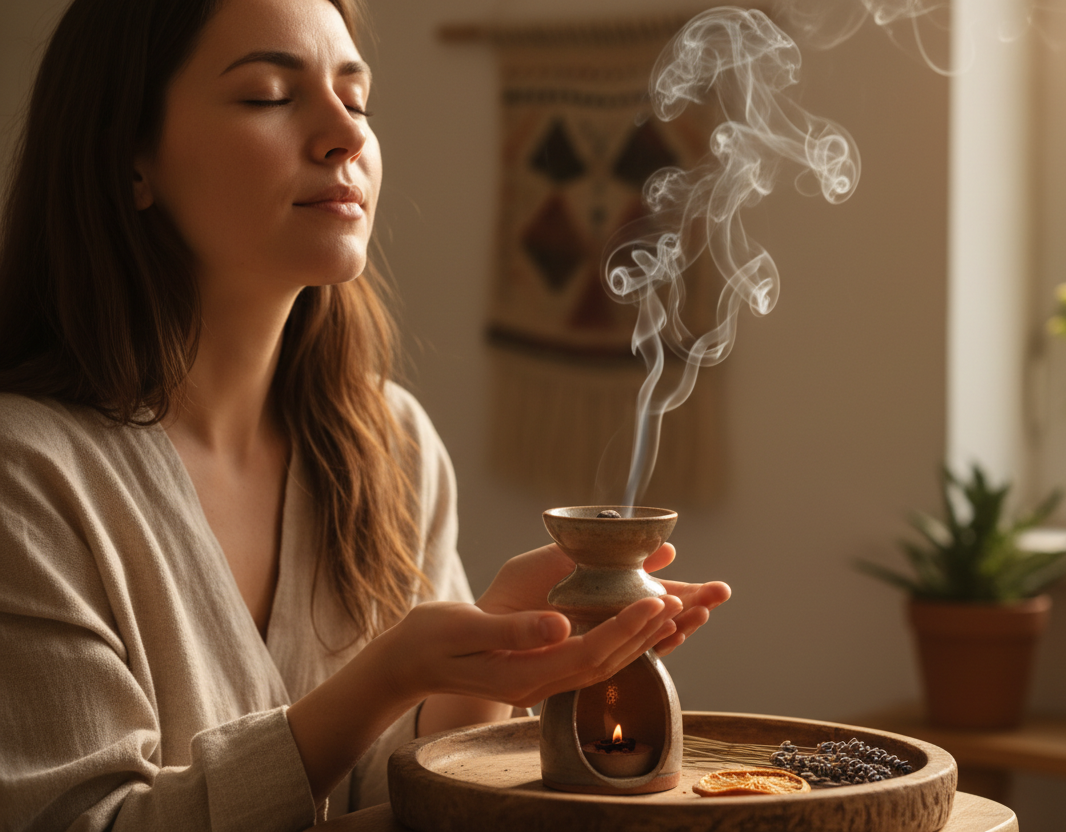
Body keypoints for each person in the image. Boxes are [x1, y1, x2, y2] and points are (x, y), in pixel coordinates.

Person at [0, 0, 731, 828]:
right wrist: (387, 675)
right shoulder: (25, 477)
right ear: (130, 158)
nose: (343, 135)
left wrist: (487, 656)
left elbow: (403, 798)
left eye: (357, 99)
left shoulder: (394, 445)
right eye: (270, 95)